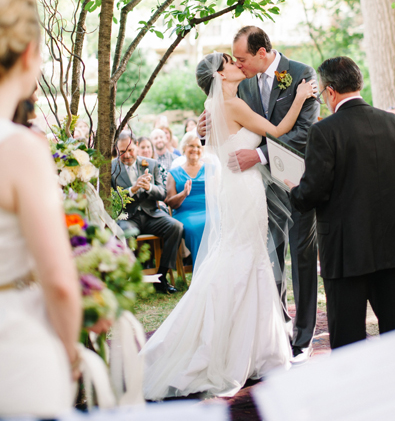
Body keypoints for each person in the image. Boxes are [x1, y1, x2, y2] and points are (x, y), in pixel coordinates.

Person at [142, 52, 316, 399]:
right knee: (243, 259)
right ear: (221, 76)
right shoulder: (231, 105)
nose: (238, 64)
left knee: (244, 258)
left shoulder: (220, 108)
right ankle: (230, 350)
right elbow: (279, 130)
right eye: (230, 63)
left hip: (238, 190)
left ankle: (248, 348)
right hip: (244, 191)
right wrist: (298, 97)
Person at [289, 56, 395, 349]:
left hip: (345, 247)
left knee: (348, 335)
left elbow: (314, 192)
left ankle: (354, 393)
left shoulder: (324, 131)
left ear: (330, 91)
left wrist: (295, 190)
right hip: (391, 244)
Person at [0, 0, 81, 417]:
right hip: (13, 356)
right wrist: (69, 352)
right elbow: (61, 282)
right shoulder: (20, 149)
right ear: (30, 53)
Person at [112, 131, 183, 295]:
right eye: (122, 151)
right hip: (128, 217)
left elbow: (163, 193)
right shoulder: (111, 168)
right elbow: (111, 200)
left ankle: (161, 277)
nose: (127, 155)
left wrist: (148, 187)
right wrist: (132, 189)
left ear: (136, 146)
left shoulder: (151, 164)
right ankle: (130, 279)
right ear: (117, 150)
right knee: (125, 232)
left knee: (176, 227)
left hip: (152, 215)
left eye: (130, 150)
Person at [166, 132, 208, 265]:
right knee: (195, 228)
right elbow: (170, 202)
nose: (195, 149)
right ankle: (200, 270)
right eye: (191, 146)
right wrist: (183, 194)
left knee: (218, 224)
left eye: (198, 146)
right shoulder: (174, 173)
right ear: (184, 148)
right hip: (186, 213)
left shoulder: (210, 169)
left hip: (209, 210)